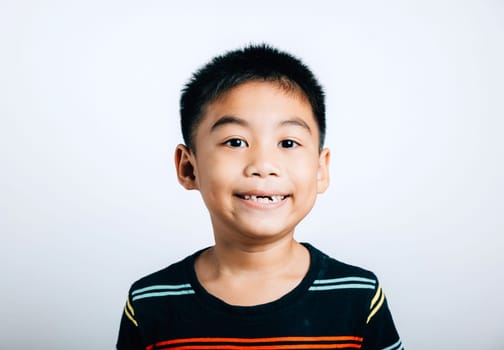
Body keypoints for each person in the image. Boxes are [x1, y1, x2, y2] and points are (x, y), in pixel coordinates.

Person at [116, 44, 403, 350]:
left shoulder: (358, 296)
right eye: (235, 141)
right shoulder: (151, 302)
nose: (264, 165)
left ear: (320, 170)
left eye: (289, 142)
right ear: (189, 167)